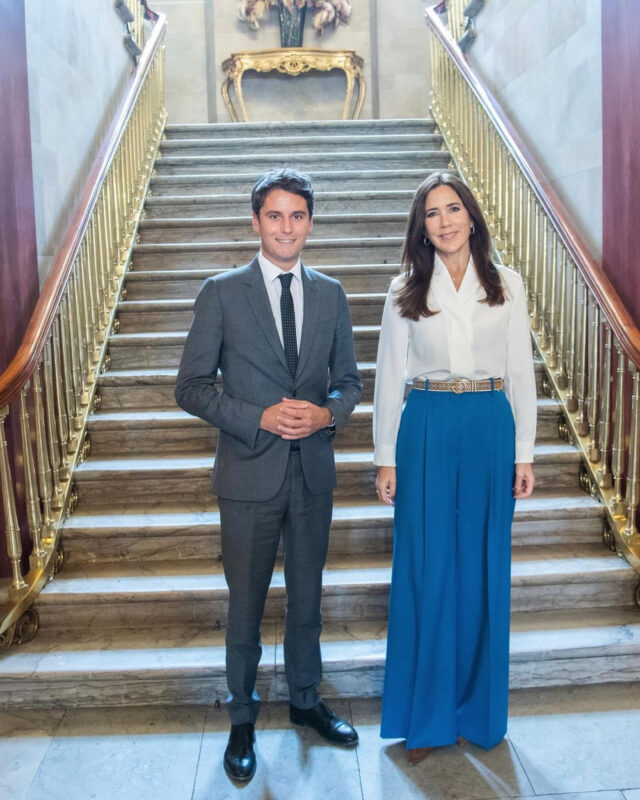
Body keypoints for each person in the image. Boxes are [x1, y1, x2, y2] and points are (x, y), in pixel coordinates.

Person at [175, 168, 362, 782]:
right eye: (275, 216)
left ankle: (306, 701)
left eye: (297, 216)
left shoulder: (331, 294)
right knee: (246, 606)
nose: (286, 228)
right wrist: (257, 416)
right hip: (247, 476)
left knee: (307, 601)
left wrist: (326, 413)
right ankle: (242, 718)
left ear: (311, 223)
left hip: (311, 475)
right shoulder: (221, 292)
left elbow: (349, 382)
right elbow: (190, 388)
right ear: (256, 221)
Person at [374, 172, 536, 763]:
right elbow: (389, 376)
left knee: (485, 568)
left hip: (491, 424)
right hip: (427, 426)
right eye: (432, 213)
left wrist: (524, 452)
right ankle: (427, 718)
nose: (444, 221)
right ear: (422, 228)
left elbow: (521, 372)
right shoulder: (405, 289)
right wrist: (385, 457)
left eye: (453, 209)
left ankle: (477, 714)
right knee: (428, 568)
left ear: (471, 215)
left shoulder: (508, 284)